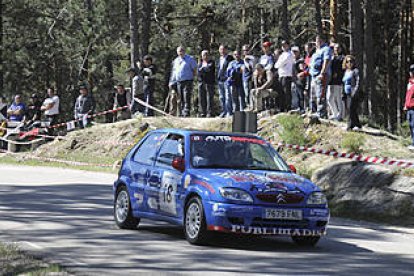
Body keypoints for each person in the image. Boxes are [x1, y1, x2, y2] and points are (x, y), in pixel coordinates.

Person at [169, 46, 197, 117]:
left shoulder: (190, 59)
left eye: (182, 51)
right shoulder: (176, 60)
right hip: (178, 81)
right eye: (179, 51)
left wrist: (192, 78)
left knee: (186, 96)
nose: (180, 52)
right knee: (180, 97)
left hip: (187, 80)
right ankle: (181, 112)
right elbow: (174, 72)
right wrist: (172, 82)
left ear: (184, 51)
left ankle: (186, 112)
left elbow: (194, 69)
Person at [309, 35, 332, 118]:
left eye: (318, 40)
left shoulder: (326, 49)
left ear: (323, 40)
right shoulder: (317, 50)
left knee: (320, 95)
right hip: (314, 75)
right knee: (314, 95)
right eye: (316, 40)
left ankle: (321, 114)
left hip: (322, 75)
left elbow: (326, 61)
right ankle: (315, 111)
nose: (317, 42)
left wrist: (322, 73)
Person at [342, 55, 362, 131]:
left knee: (351, 109)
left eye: (351, 61)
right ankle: (357, 125)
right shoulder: (346, 72)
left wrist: (355, 92)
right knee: (351, 109)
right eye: (347, 61)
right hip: (346, 93)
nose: (349, 63)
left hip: (353, 93)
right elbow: (344, 83)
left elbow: (358, 82)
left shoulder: (355, 71)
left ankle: (349, 126)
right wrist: (343, 93)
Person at [275, 40, 294, 112]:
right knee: (281, 92)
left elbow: (280, 64)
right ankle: (282, 107)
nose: (283, 47)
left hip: (287, 75)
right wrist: (279, 64)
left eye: (285, 45)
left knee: (286, 92)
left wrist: (279, 64)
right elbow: (276, 65)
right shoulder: (282, 54)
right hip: (281, 75)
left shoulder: (289, 54)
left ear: (288, 45)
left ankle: (288, 107)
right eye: (282, 45)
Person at [327, 44, 345, 121]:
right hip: (331, 81)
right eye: (335, 48)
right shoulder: (332, 57)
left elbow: (344, 69)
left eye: (338, 48)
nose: (336, 50)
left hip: (339, 80)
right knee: (329, 98)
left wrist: (338, 74)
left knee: (339, 98)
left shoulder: (343, 58)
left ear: (341, 49)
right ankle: (335, 113)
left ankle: (341, 115)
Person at [216, 45, 234, 117]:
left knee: (228, 97)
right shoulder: (219, 59)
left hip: (227, 80)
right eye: (220, 49)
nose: (222, 51)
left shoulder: (230, 58)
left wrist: (229, 77)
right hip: (220, 80)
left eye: (223, 49)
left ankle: (229, 112)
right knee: (221, 97)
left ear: (226, 50)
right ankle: (223, 111)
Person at [197, 50, 215, 117]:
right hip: (201, 82)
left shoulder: (211, 62)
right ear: (201, 56)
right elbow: (198, 72)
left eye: (207, 54)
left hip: (209, 82)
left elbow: (208, 69)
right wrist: (202, 69)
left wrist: (202, 69)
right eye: (204, 55)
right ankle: (202, 112)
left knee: (209, 98)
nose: (205, 56)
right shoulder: (200, 63)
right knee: (201, 98)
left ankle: (209, 112)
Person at [291, 46, 306, 113]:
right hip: (295, 80)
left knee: (301, 95)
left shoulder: (300, 60)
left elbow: (302, 69)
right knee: (297, 94)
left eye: (295, 52)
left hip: (300, 80)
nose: (294, 53)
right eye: (293, 52)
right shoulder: (293, 60)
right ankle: (299, 108)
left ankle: (303, 109)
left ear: (299, 52)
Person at [242, 45, 255, 109]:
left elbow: (251, 68)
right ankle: (248, 106)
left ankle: (251, 106)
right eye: (244, 50)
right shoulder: (244, 58)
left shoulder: (250, 58)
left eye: (246, 50)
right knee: (246, 94)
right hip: (244, 78)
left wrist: (246, 60)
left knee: (249, 93)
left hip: (249, 78)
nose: (245, 52)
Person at [404, 64, 414, 150]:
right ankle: (412, 142)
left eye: (411, 71)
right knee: (410, 125)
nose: (410, 73)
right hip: (409, 107)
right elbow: (408, 95)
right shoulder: (409, 83)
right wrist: (405, 105)